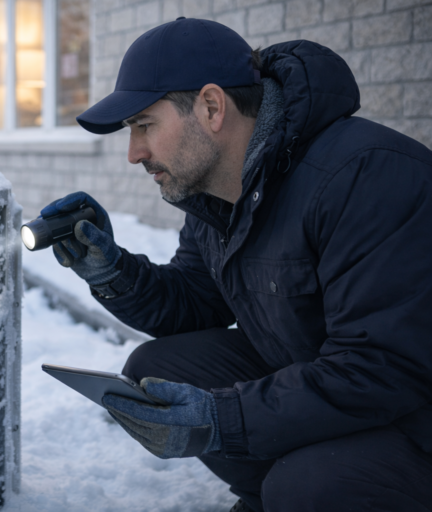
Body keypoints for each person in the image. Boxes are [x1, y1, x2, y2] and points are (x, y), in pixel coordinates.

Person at [39, 17, 432, 512]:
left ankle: (305, 491)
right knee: (156, 370)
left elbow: (383, 367)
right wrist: (113, 272)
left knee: (307, 484)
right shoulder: (221, 192)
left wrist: (224, 418)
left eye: (143, 126)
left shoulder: (365, 176)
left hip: (413, 416)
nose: (134, 153)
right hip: (330, 382)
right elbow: (196, 300)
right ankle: (271, 495)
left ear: (210, 107)